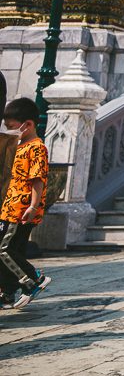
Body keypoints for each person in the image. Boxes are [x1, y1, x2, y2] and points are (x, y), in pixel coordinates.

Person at [0, 97, 51, 310]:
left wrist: (33, 206)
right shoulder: (19, 146)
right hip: (10, 206)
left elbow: (37, 179)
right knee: (15, 248)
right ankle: (8, 292)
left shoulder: (36, 148)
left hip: (21, 208)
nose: (11, 131)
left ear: (27, 124)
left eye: (13, 127)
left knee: (4, 249)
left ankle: (33, 279)